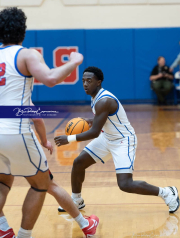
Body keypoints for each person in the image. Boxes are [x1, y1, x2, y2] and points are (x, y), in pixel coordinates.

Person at [0, 7, 83, 238]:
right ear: (23, 32)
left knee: (3, 182)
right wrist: (73, 62)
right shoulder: (26, 54)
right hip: (16, 131)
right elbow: (50, 79)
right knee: (40, 184)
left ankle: (5, 230)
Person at [54, 66, 179, 215]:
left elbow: (94, 133)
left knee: (125, 184)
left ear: (98, 82)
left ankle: (167, 193)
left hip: (123, 141)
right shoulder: (95, 97)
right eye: (83, 81)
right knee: (78, 163)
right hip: (107, 137)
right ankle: (76, 200)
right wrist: (91, 120)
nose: (85, 84)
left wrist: (69, 138)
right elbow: (103, 119)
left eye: (89, 81)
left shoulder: (104, 100)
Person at [0, 117, 99, 238]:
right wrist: (44, 141)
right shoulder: (17, 96)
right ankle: (85, 224)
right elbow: (37, 119)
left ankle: (3, 228)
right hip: (20, 139)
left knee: (2, 184)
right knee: (48, 184)